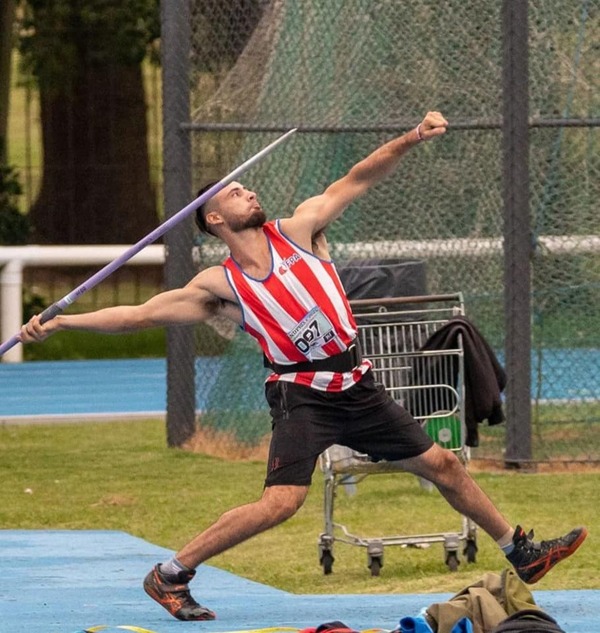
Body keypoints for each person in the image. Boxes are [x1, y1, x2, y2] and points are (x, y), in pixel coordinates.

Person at [19, 111, 587, 622]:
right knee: (281, 503)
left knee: (442, 464)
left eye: (245, 185)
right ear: (214, 217)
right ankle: (170, 574)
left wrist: (410, 138)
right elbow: (139, 315)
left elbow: (358, 178)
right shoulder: (220, 285)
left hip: (356, 383)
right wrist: (64, 323)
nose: (248, 191)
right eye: (235, 192)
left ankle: (521, 550)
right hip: (301, 394)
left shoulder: (300, 230)